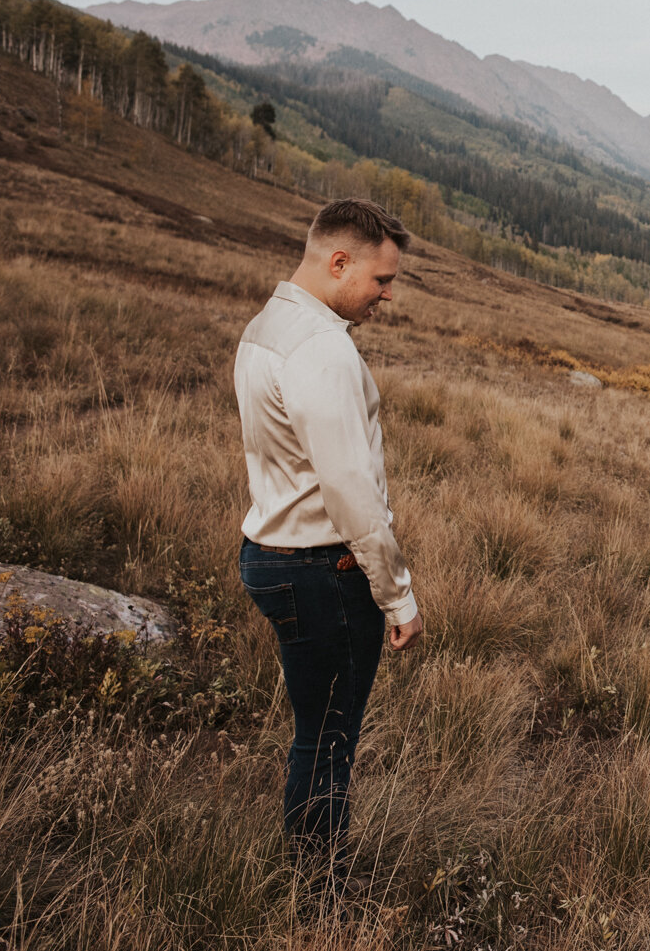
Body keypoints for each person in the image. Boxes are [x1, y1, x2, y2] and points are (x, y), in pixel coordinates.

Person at [234, 198, 425, 901]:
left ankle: (313, 878)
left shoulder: (267, 325)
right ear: (337, 261)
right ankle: (320, 897)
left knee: (316, 727)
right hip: (322, 567)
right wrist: (396, 595)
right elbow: (351, 492)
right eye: (379, 279)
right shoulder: (323, 348)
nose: (386, 294)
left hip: (274, 552)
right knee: (329, 738)